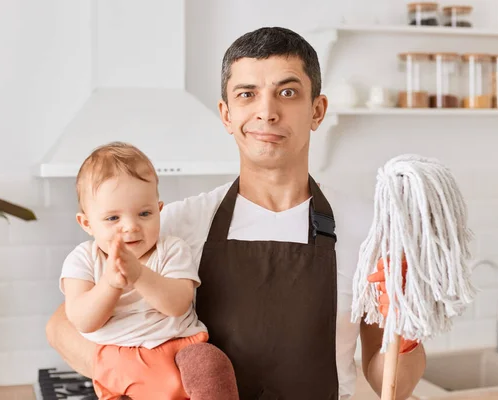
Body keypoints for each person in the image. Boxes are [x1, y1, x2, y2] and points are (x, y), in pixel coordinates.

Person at [47, 27, 426, 399]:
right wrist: (135, 374)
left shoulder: (368, 231)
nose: (267, 112)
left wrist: (405, 328)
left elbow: (392, 384)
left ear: (317, 110)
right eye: (247, 94)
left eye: (287, 92)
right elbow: (61, 326)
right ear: (226, 115)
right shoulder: (176, 224)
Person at [58, 142, 238, 399]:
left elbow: (177, 304)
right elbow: (82, 319)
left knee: (209, 361)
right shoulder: (82, 260)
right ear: (87, 223)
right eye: (113, 218)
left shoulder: (172, 249)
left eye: (144, 213)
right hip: (118, 361)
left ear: (160, 211)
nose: (131, 227)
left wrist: (140, 276)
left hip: (179, 349)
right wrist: (110, 283)